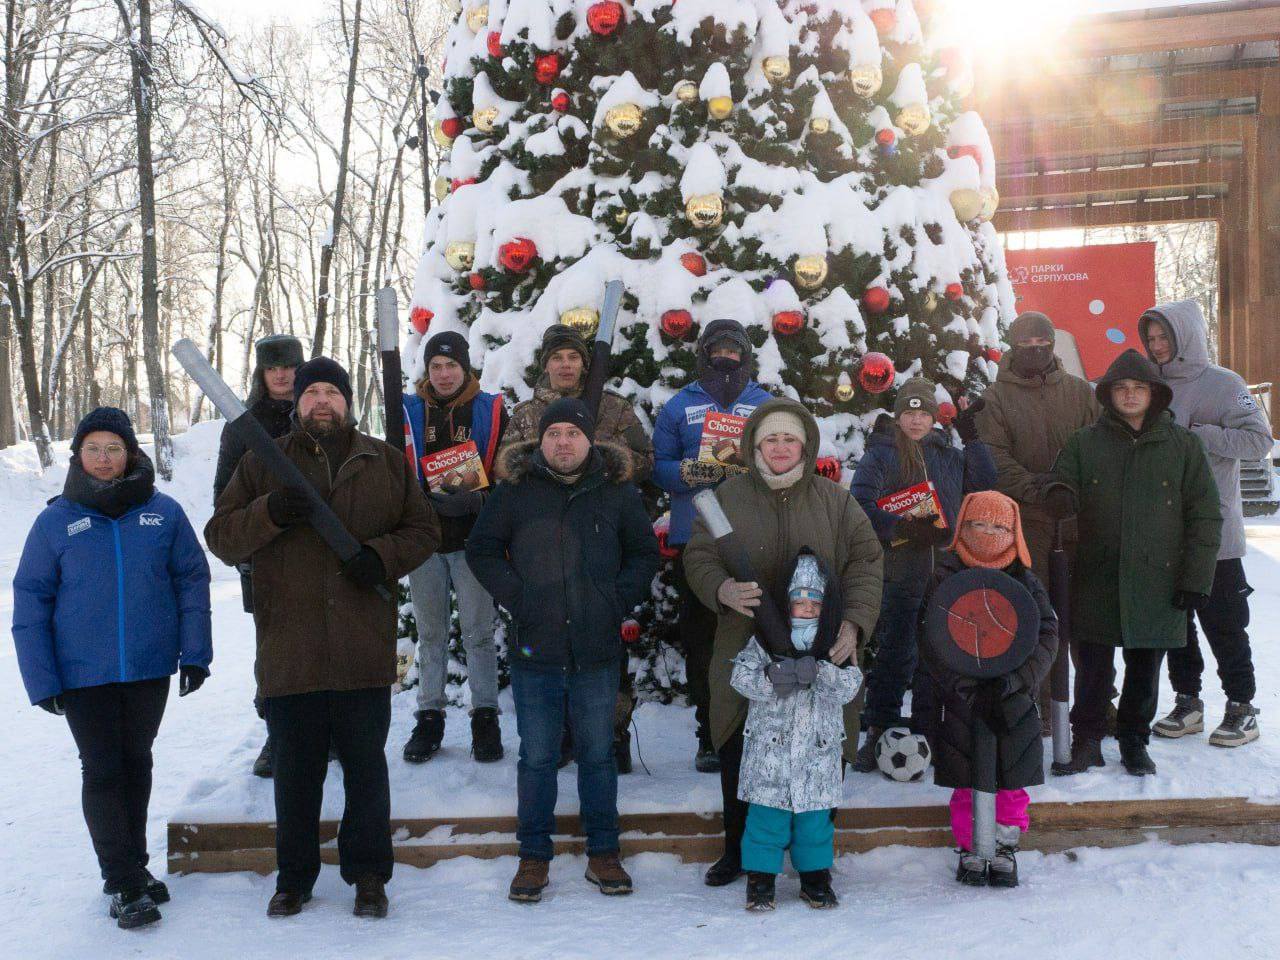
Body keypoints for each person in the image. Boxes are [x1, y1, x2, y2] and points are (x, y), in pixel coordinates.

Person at [205, 357, 439, 919]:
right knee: (295, 775)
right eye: (312, 394)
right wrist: (268, 512)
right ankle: (294, 878)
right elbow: (222, 536)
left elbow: (424, 529)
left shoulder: (383, 460)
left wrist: (380, 557)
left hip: (362, 645)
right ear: (297, 403)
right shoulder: (263, 462)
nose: (322, 402)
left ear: (348, 402)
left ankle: (369, 876)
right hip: (291, 648)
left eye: (332, 393)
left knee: (366, 771)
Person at [13, 407, 212, 929]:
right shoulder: (56, 521)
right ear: (78, 455)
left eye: (114, 449)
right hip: (82, 671)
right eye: (94, 449)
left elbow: (192, 580)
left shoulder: (163, 513)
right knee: (102, 769)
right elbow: (30, 599)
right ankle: (121, 882)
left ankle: (135, 867)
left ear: (131, 453)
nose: (104, 459)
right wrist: (42, 679)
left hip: (148, 666)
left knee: (137, 763)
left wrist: (195, 653)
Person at [682, 398, 883, 888]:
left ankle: (813, 857)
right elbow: (699, 555)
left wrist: (854, 624)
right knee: (741, 746)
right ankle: (738, 849)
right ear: (753, 445)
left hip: (824, 652)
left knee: (822, 747)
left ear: (805, 446)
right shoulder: (728, 497)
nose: (779, 447)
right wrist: (721, 589)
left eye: (789, 439)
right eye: (770, 438)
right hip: (745, 644)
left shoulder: (836, 501)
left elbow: (866, 561)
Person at [467, 397, 660, 903]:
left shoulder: (616, 492)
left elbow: (644, 554)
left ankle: (604, 852)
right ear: (542, 441)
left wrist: (614, 598)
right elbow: (481, 549)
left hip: (597, 650)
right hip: (536, 649)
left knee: (597, 754)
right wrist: (518, 597)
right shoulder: (515, 490)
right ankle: (533, 856)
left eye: (573, 433)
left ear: (589, 440)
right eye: (554, 434)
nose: (563, 442)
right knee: (537, 757)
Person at [1051, 349, 1221, 777]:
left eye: (1139, 388)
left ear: (1154, 394)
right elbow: (1061, 478)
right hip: (1097, 576)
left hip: (1158, 581)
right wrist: (1059, 492)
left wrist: (1196, 579)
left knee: (1145, 670)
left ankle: (1133, 741)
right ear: (1109, 394)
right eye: (1122, 388)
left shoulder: (1183, 446)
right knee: (1092, 669)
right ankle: (1087, 740)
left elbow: (1204, 516)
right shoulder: (1085, 442)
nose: (1130, 395)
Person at [501, 323, 655, 770]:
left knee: (606, 642)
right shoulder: (527, 415)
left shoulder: (614, 408)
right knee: (550, 644)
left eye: (573, 357)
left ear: (585, 364)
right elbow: (507, 469)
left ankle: (613, 732)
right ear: (545, 364)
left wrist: (601, 457)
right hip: (544, 547)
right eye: (557, 357)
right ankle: (561, 736)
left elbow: (645, 461)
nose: (565, 365)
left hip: (603, 541)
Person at [1141, 300, 1272, 747]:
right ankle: (1188, 702)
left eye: (1164, 337)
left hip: (1215, 535)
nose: (1157, 346)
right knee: (1177, 625)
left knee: (1225, 624)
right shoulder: (1149, 385)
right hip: (1165, 535)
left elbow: (1259, 441)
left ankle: (1241, 707)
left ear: (1186, 336)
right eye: (1151, 338)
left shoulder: (1224, 384)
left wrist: (1200, 436)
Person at [849, 378, 996, 771]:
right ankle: (879, 729)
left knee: (937, 656)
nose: (915, 421)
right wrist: (902, 527)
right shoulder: (881, 454)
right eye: (908, 413)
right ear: (898, 416)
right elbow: (859, 504)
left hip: (943, 573)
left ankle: (929, 729)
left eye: (923, 413)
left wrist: (972, 437)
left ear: (933, 417)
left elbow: (985, 483)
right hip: (899, 571)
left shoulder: (948, 455)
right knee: (896, 653)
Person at [918, 491, 1058, 888]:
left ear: (1014, 532)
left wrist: (1016, 681)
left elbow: (1047, 634)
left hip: (1013, 699)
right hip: (961, 701)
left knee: (1012, 778)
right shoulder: (945, 576)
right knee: (966, 778)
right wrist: (962, 685)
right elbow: (930, 637)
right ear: (963, 527)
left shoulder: (1025, 580)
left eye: (999, 527)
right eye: (978, 524)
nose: (988, 533)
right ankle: (970, 846)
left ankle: (1005, 846)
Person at [652, 318, 772, 773]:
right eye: (717, 349)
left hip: (753, 537)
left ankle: (755, 730)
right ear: (703, 353)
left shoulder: (764, 404)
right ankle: (709, 733)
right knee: (702, 643)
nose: (725, 357)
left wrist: (755, 470)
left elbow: (786, 456)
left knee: (758, 637)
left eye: (733, 350)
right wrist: (685, 472)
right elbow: (656, 465)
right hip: (695, 539)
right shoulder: (680, 405)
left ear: (745, 355)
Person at [977, 312, 1100, 731]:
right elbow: (993, 456)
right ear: (1013, 347)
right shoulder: (996, 398)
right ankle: (1043, 704)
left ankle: (1096, 704)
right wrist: (1037, 489)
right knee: (1036, 615)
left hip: (1079, 520)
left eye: (1042, 342)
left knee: (1087, 618)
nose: (1035, 349)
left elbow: (1097, 446)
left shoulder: (1080, 393)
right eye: (1026, 343)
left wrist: (1071, 489)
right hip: (1027, 522)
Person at [400, 331, 510, 764]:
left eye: (451, 366)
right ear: (426, 370)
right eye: (436, 366)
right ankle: (429, 717)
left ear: (466, 368)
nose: (444, 374)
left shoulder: (489, 409)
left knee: (478, 633)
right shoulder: (410, 410)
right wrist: (414, 502)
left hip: (472, 541)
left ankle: (485, 717)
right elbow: (392, 464)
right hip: (426, 542)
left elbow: (509, 470)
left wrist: (480, 500)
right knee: (431, 635)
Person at [731, 551, 861, 911]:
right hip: (769, 753)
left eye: (814, 603)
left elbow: (851, 686)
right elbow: (740, 676)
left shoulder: (835, 643)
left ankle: (815, 878)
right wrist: (770, 677)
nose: (806, 609)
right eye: (799, 602)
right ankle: (760, 880)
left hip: (818, 756)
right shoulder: (765, 641)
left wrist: (822, 673)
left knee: (814, 823)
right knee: (766, 820)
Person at [212, 333, 304, 779]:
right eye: (273, 368)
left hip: (320, 551)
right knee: (273, 648)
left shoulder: (321, 412)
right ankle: (278, 734)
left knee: (324, 641)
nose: (281, 375)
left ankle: (325, 733)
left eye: (288, 366)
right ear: (261, 374)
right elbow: (224, 495)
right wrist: (245, 548)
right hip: (265, 555)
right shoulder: (241, 425)